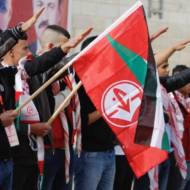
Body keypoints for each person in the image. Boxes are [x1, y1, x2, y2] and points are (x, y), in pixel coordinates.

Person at [74, 36, 116, 190]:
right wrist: (105, 108)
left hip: (109, 152)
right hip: (90, 153)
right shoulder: (79, 82)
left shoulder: (106, 80)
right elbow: (82, 120)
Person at [39, 25, 75, 190]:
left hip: (65, 148)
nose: (66, 53)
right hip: (46, 149)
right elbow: (49, 107)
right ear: (51, 47)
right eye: (64, 48)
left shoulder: (62, 71)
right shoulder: (33, 70)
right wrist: (68, 93)